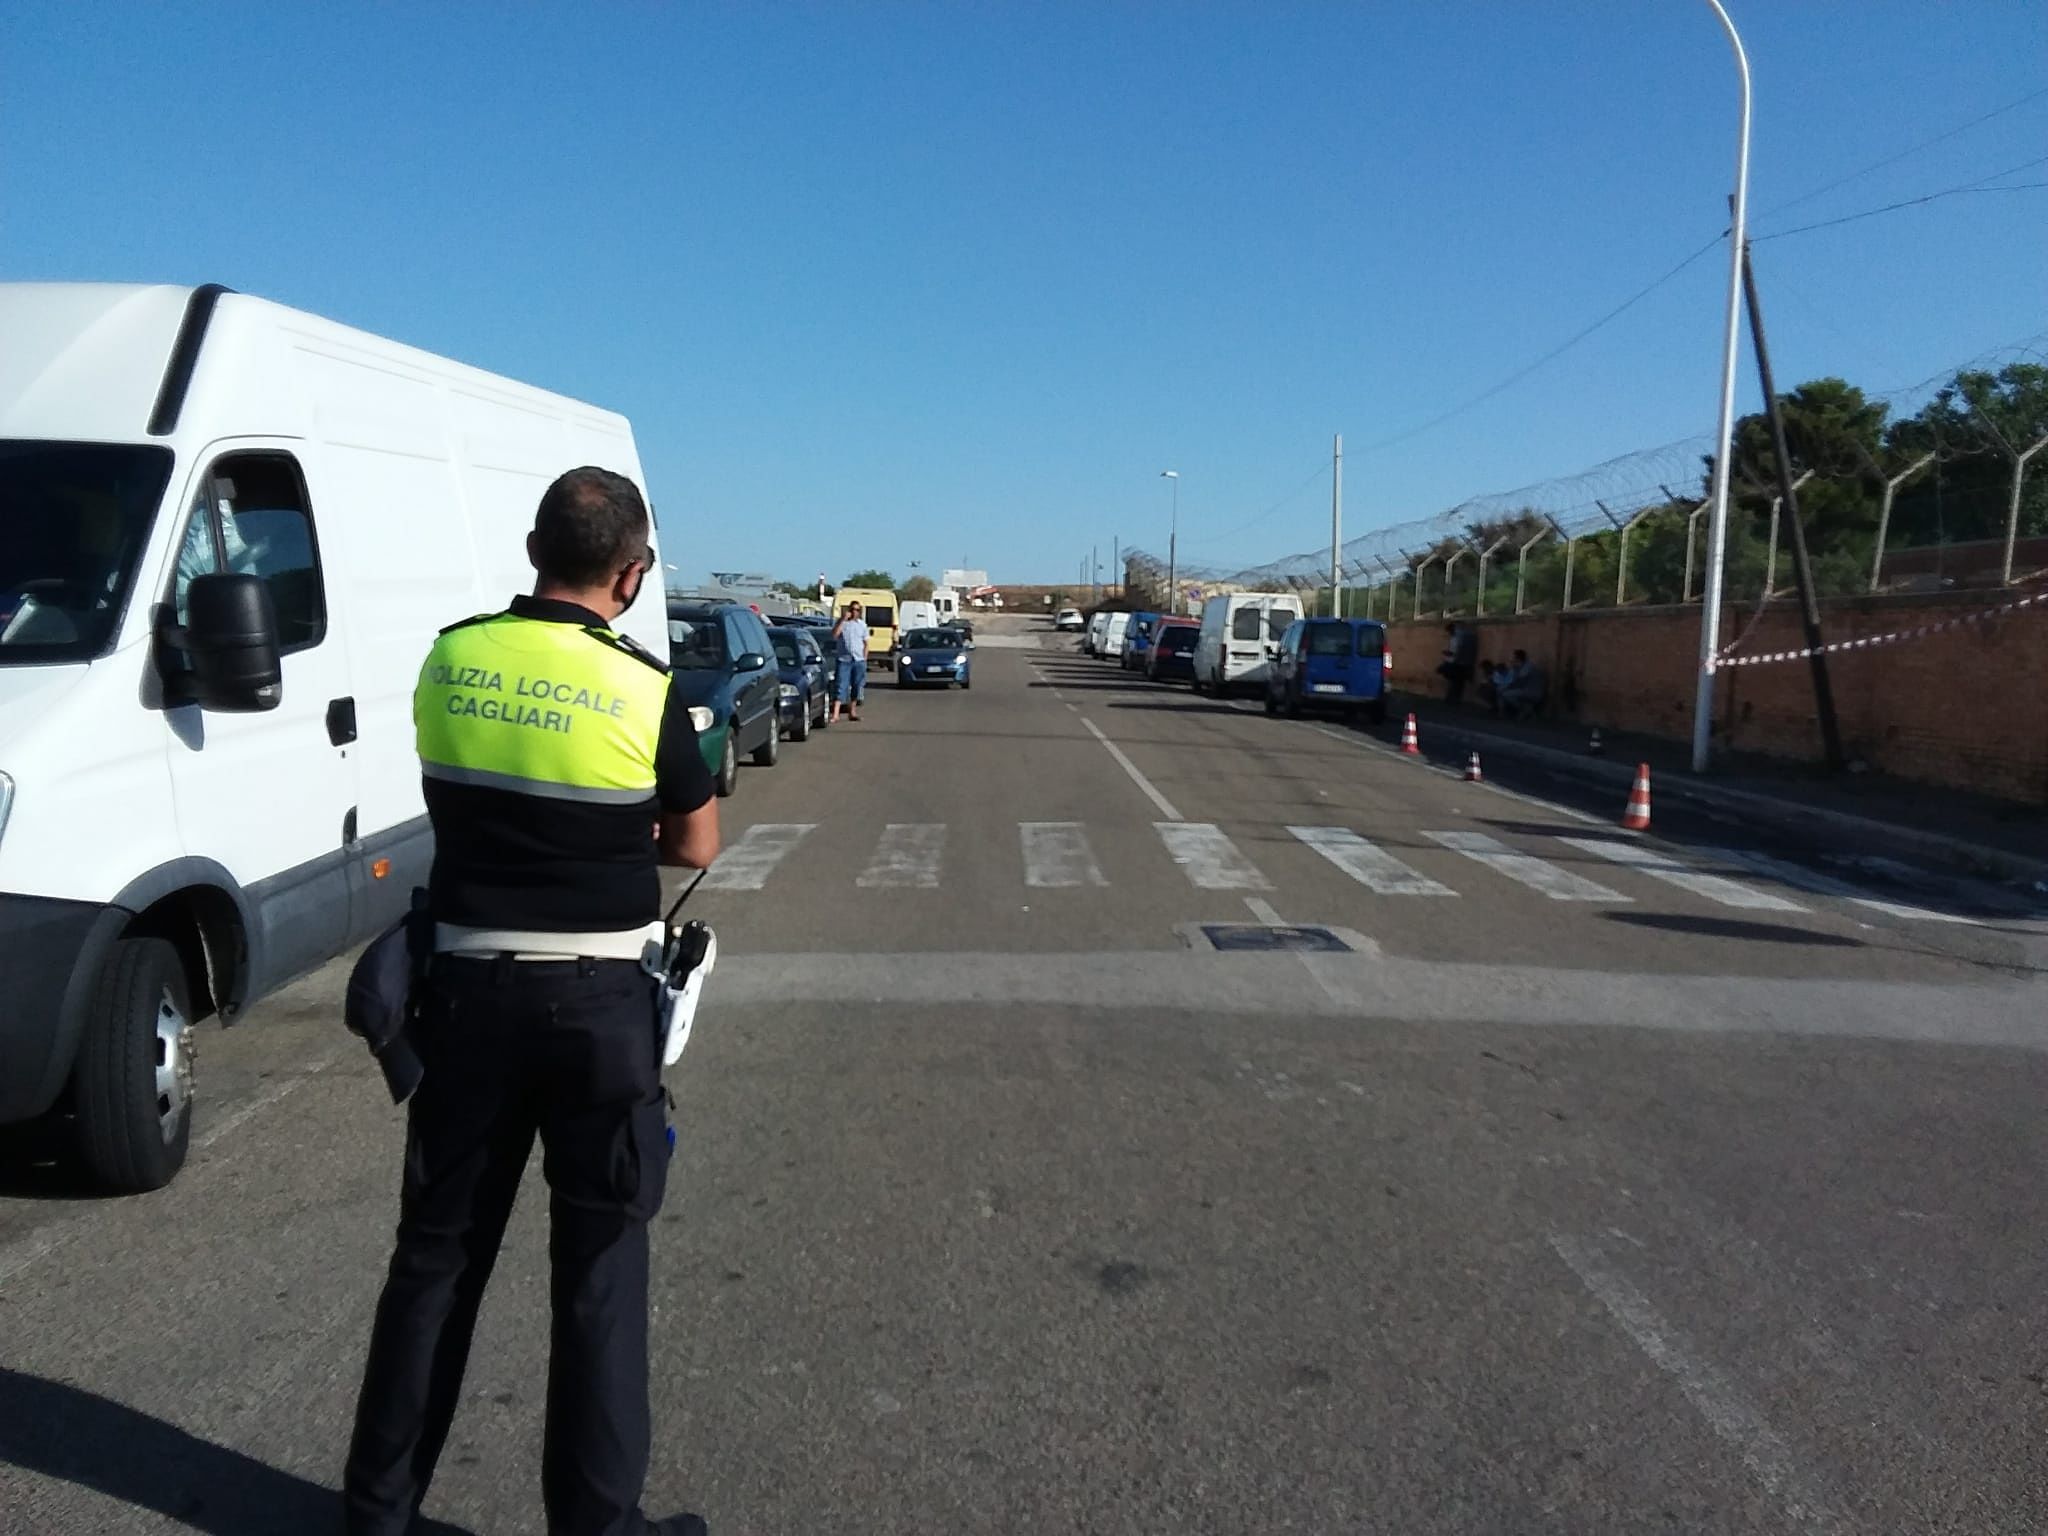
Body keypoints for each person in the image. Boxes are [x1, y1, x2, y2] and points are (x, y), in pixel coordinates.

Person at [343, 467, 721, 1536]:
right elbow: (695, 842)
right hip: (600, 1008)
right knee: (599, 1271)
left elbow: (454, 795)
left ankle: (376, 1517)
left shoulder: (452, 656)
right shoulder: (642, 688)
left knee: (434, 1262)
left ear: (530, 550)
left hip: (460, 996)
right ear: (632, 573)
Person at [830, 599, 869, 723]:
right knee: (841, 685)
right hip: (844, 659)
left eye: (857, 610)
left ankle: (852, 712)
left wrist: (864, 658)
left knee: (857, 687)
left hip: (858, 660)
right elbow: (835, 635)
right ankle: (835, 714)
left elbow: (866, 643)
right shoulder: (842, 623)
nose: (854, 612)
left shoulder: (862, 625)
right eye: (852, 609)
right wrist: (842, 620)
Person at [1496, 648, 1547, 721]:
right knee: (1502, 691)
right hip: (1524, 690)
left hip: (1533, 692)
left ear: (1518, 658)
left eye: (1513, 657)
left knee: (1505, 694)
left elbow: (1519, 682)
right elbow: (1511, 681)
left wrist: (1505, 688)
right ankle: (1504, 713)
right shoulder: (1518, 667)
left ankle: (1526, 710)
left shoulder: (1528, 666)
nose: (1512, 659)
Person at [1436, 621, 1477, 704]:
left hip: (1459, 662)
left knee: (1457, 681)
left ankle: (1453, 698)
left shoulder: (1461, 636)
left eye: (1449, 631)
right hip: (1455, 661)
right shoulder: (1454, 637)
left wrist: (1450, 654)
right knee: (1455, 680)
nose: (1449, 633)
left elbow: (1460, 650)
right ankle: (1452, 698)